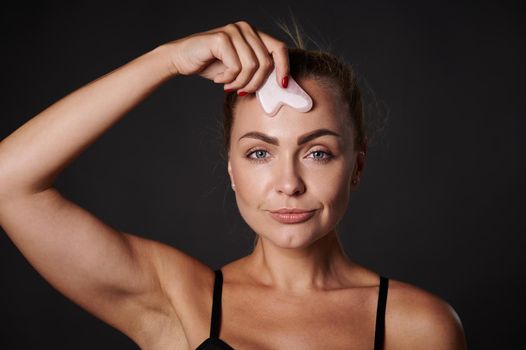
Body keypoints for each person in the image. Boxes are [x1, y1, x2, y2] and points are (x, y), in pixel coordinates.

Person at [0, 20, 468, 349]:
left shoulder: (419, 326)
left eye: (317, 152)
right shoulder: (176, 299)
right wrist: (167, 59)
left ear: (357, 165)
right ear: (231, 167)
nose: (289, 183)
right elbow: (8, 182)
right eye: (260, 153)